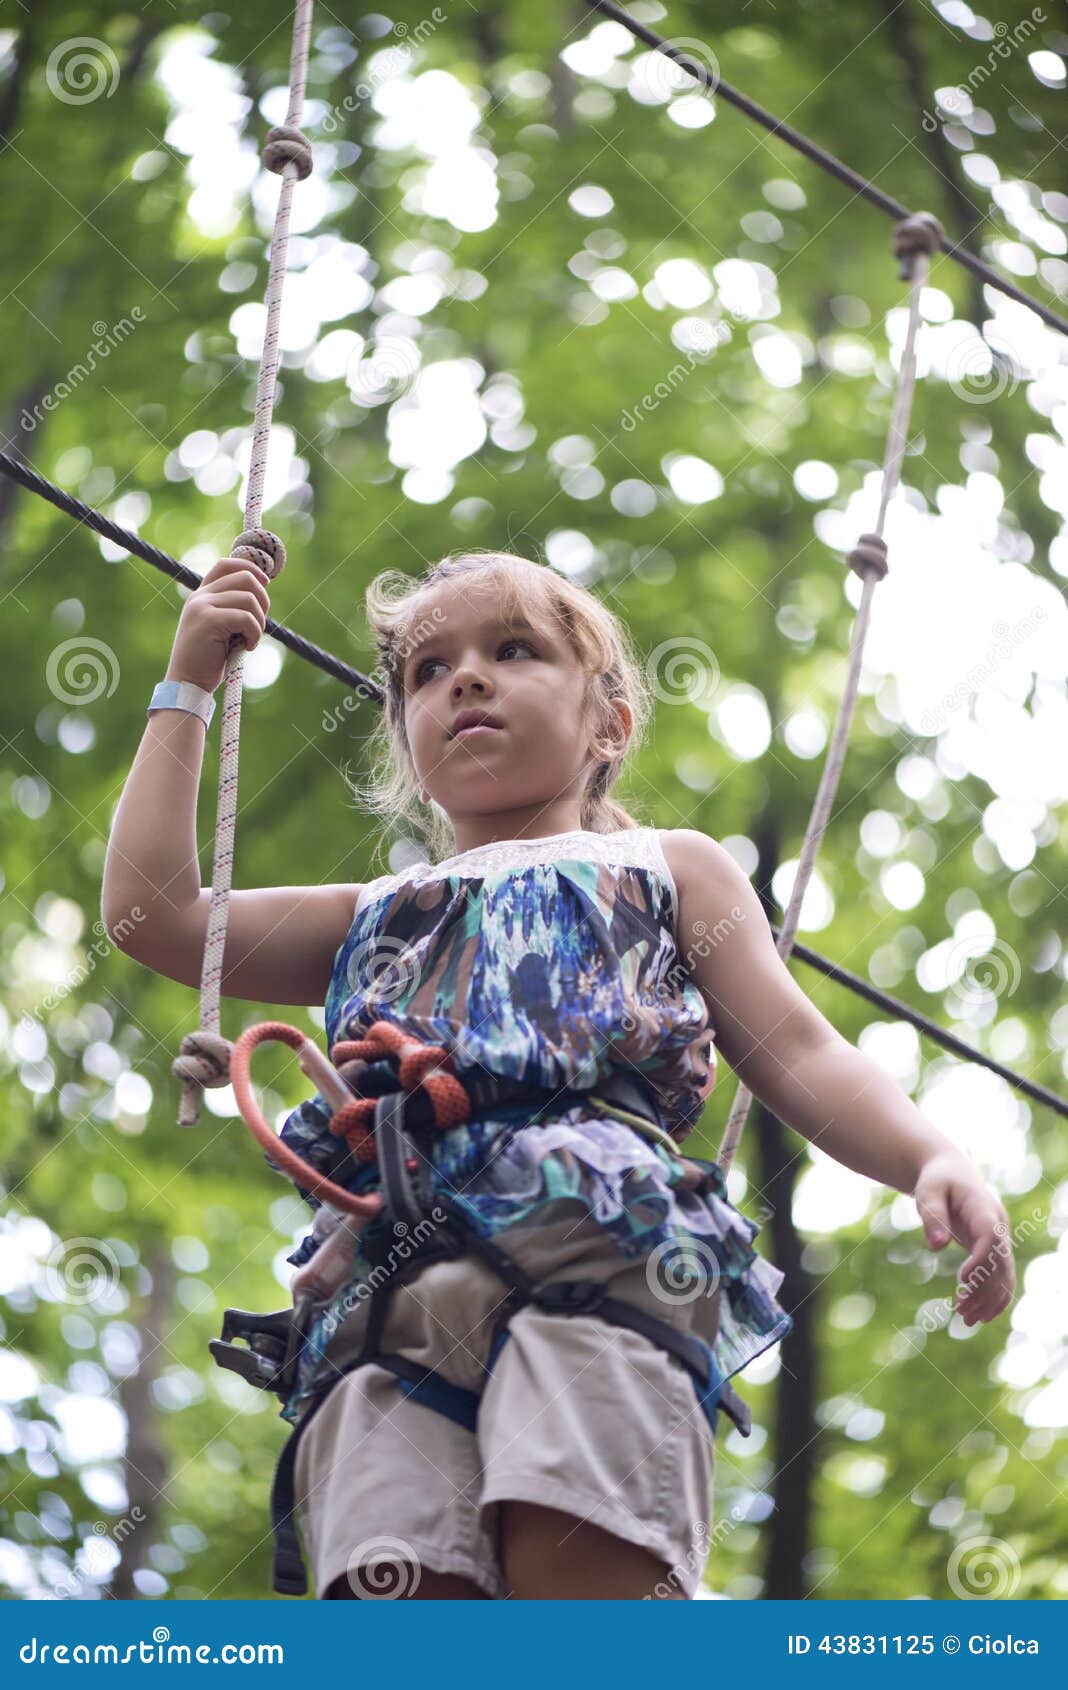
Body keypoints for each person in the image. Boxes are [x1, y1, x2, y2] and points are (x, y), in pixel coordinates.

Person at [101, 546, 1016, 1601]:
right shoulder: (371, 911)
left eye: (514, 648)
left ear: (608, 724)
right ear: (407, 737)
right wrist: (189, 684)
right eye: (428, 671)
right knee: (393, 1599)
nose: (467, 678)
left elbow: (798, 1046)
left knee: (585, 1579)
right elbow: (154, 915)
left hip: (600, 1243)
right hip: (388, 1275)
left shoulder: (666, 867)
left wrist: (929, 1155)